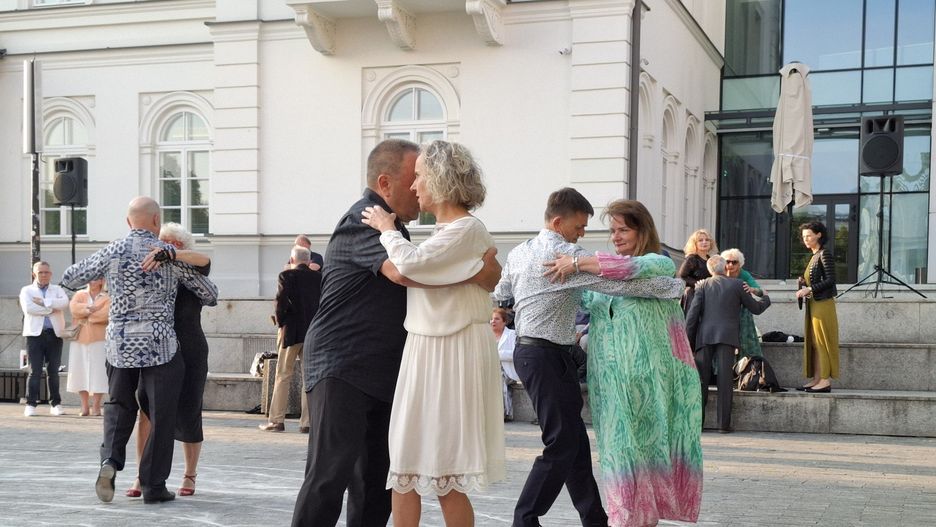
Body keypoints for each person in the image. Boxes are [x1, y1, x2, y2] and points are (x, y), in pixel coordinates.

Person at [291, 139, 500, 527]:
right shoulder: (366, 218)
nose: (418, 188)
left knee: (376, 482)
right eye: (413, 177)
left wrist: (484, 273)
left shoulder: (401, 227)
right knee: (329, 475)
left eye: (423, 176)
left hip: (386, 369)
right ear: (385, 183)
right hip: (343, 366)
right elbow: (405, 272)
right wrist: (479, 272)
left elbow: (431, 268)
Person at [494, 188, 684, 527]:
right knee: (561, 443)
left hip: (540, 355)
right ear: (558, 222)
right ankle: (525, 519)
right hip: (544, 356)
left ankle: (594, 519)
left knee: (576, 445)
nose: (584, 232)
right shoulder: (565, 255)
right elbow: (621, 286)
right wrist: (669, 289)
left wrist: (529, 302)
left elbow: (502, 293)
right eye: (580, 225)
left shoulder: (520, 252)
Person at [360, 139, 505, 526]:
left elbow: (410, 267)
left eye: (420, 176)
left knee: (445, 475)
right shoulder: (451, 232)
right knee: (405, 468)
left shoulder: (466, 229)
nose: (413, 186)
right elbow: (428, 272)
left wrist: (387, 228)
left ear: (440, 179)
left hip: (451, 353)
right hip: (427, 350)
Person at [545, 199, 704, 527]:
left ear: (642, 230)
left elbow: (629, 270)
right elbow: (585, 295)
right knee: (618, 453)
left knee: (647, 449)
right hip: (610, 380)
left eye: (623, 229)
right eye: (612, 230)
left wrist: (576, 262)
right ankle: (629, 518)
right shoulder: (603, 275)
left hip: (650, 380)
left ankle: (636, 519)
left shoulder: (656, 263)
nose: (615, 236)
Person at [61, 197, 218, 505]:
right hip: (160, 345)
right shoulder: (166, 255)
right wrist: (176, 261)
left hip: (119, 345)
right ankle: (153, 486)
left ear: (127, 221)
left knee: (119, 406)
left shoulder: (114, 250)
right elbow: (210, 294)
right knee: (161, 415)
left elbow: (70, 278)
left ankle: (110, 461)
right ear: (157, 221)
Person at [126, 222, 215, 498]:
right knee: (147, 411)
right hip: (154, 349)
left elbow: (211, 289)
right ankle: (143, 474)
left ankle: (190, 474)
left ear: (176, 247)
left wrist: (174, 259)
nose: (155, 248)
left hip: (189, 348)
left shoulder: (191, 270)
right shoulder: (149, 271)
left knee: (190, 411)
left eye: (163, 243)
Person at [685, 255, 771, 433]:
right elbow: (755, 308)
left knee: (701, 381)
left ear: (709, 270)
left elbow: (692, 316)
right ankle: (723, 425)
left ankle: (697, 425)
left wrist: (688, 342)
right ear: (725, 268)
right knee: (725, 382)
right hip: (728, 337)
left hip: (705, 337)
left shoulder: (702, 286)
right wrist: (766, 299)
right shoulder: (737, 285)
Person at [259, 245, 322, 433]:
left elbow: (280, 302)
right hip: (312, 332)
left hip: (290, 332)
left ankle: (276, 421)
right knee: (308, 377)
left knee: (283, 375)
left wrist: (280, 323)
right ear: (309, 261)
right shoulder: (319, 278)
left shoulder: (286, 276)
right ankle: (307, 423)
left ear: (292, 260)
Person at [19, 261, 70, 417]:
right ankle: (31, 404)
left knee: (53, 371)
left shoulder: (57, 289)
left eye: (46, 272)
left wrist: (43, 303)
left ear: (51, 274)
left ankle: (55, 403)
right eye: (40, 272)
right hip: (35, 335)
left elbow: (64, 303)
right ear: (34, 273)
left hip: (54, 333)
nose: (44, 275)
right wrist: (51, 309)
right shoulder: (27, 290)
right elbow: (29, 308)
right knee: (34, 371)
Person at [795, 221, 839, 393]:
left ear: (819, 235)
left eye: (809, 236)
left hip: (822, 304)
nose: (806, 239)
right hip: (814, 303)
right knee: (814, 342)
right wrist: (804, 282)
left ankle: (825, 380)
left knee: (822, 341)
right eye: (804, 236)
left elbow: (831, 280)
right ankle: (817, 379)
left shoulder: (824, 254)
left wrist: (809, 288)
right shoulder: (814, 255)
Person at [66, 278, 110, 416]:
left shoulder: (107, 296)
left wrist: (87, 315)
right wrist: (89, 309)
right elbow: (74, 309)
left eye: (96, 278)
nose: (92, 281)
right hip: (80, 338)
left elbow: (106, 314)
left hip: (100, 338)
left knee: (99, 372)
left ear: (101, 280)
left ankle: (96, 405)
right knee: (80, 370)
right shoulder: (79, 294)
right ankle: (84, 405)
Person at [722, 248, 765, 359]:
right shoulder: (720, 273)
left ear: (739, 264)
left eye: (734, 262)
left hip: (742, 313)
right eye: (727, 261)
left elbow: (760, 291)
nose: (730, 264)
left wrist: (751, 289)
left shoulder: (743, 274)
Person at [677, 229, 718, 313]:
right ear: (695, 244)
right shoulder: (692, 259)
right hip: (693, 296)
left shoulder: (711, 259)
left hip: (708, 295)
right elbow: (682, 276)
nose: (704, 242)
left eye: (707, 240)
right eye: (700, 240)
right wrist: (698, 284)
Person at [491, 307, 519, 421]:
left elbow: (516, 354)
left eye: (497, 319)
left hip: (508, 371)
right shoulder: (486, 335)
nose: (493, 321)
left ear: (504, 322)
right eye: (491, 319)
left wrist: (496, 354)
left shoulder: (512, 335)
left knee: (499, 378)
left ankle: (503, 413)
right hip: (490, 369)